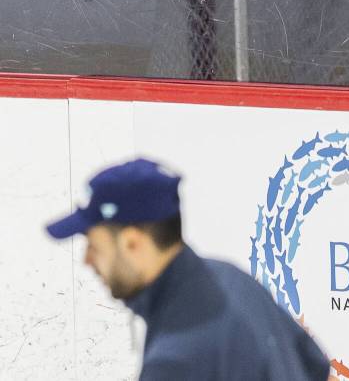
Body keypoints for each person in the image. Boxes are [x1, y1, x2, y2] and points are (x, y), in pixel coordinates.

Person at [45, 158, 330, 381]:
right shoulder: (231, 277)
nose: (88, 260)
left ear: (132, 243)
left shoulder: (175, 360)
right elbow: (318, 370)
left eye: (95, 246)